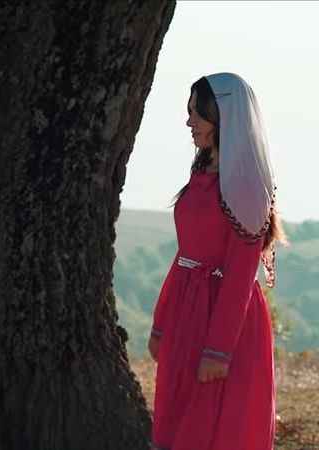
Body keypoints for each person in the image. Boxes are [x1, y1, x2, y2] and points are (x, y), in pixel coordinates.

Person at [147, 72, 286, 450]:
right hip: (188, 308)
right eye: (190, 112)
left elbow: (241, 274)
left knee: (216, 426)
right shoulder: (202, 170)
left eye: (198, 114)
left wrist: (219, 350)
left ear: (223, 117)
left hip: (225, 318)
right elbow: (185, 252)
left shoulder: (244, 184)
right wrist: (161, 323)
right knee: (179, 419)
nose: (189, 121)